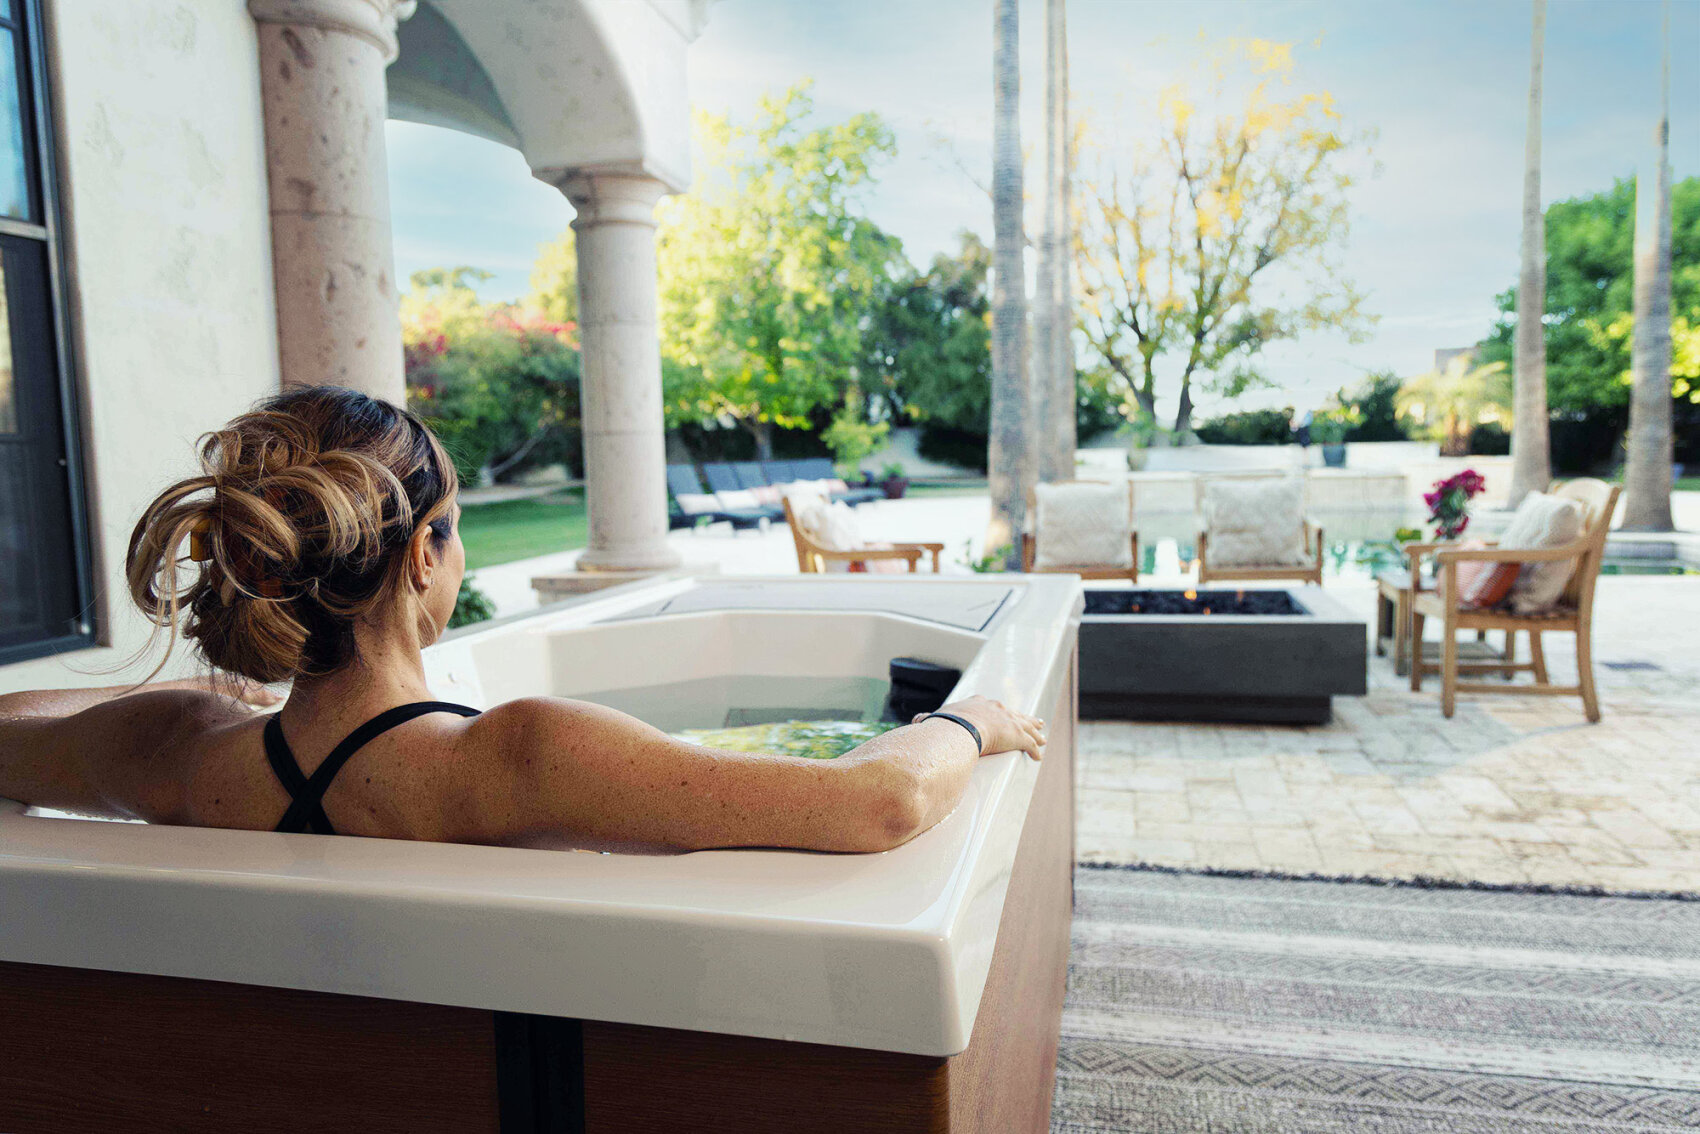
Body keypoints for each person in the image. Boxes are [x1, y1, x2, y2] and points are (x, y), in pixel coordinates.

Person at [0, 387, 1044, 852]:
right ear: (423, 556)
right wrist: (973, 721)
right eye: (452, 529)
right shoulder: (519, 756)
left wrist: (204, 694)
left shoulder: (175, 755)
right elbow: (876, 804)